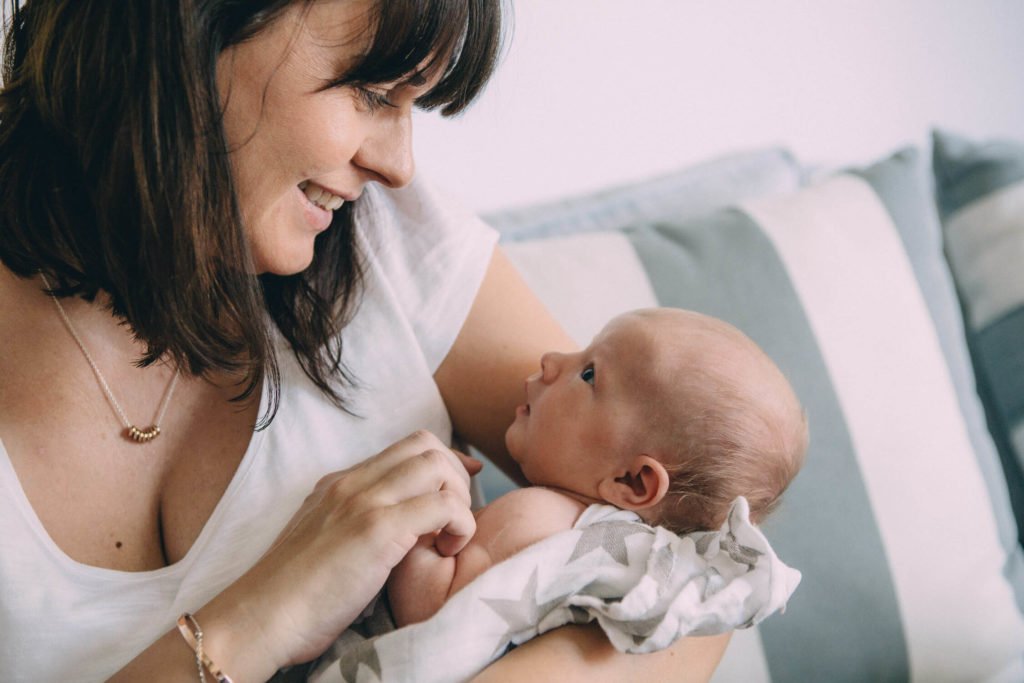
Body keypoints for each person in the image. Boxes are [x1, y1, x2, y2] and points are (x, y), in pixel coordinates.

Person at [0, 1, 730, 682]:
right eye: (375, 93)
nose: (397, 164)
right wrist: (260, 616)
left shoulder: (387, 239)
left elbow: (706, 565)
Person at [388, 308, 807, 627]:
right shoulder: (637, 559)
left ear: (632, 481)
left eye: (588, 374)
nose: (551, 359)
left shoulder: (533, 517)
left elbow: (428, 614)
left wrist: (425, 508)